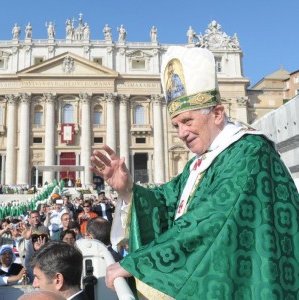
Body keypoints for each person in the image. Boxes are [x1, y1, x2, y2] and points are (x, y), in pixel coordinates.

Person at [90, 46, 299, 299]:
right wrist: (127, 188)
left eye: (187, 121)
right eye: (176, 125)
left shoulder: (249, 152)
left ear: (218, 113)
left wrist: (140, 262)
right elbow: (167, 203)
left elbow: (211, 219)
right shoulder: (198, 163)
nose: (181, 133)